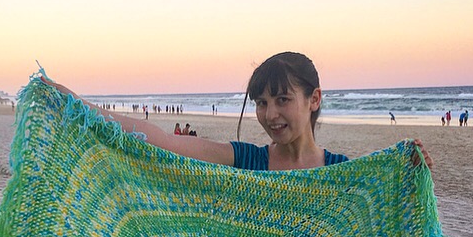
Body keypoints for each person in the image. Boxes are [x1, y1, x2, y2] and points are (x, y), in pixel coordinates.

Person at [41, 51, 432, 171]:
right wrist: (78, 105)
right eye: (261, 103)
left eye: (282, 100)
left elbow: (388, 234)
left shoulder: (342, 174)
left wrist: (411, 174)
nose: (270, 114)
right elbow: (158, 139)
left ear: (313, 99)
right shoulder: (246, 159)